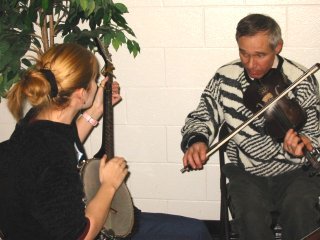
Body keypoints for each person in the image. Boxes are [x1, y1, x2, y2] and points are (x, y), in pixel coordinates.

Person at [0, 43, 212, 240]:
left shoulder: (38, 120)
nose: (96, 84)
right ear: (81, 94)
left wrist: (96, 110)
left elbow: (64, 144)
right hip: (79, 229)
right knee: (195, 232)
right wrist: (110, 184)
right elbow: (81, 235)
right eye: (93, 80)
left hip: (45, 222)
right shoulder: (53, 158)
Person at [180, 13, 320, 240]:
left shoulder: (300, 79)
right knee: (249, 217)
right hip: (246, 172)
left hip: (295, 173)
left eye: (260, 55)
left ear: (278, 47)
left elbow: (315, 131)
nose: (251, 64)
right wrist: (197, 140)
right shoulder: (226, 78)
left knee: (301, 210)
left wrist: (306, 143)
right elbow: (202, 114)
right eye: (243, 53)